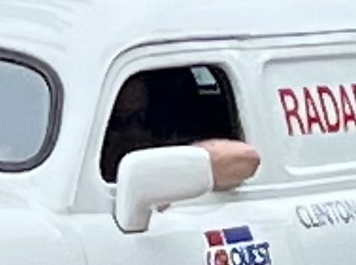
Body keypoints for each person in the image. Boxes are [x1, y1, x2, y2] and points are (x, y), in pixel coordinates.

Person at [100, 75, 260, 191]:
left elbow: (246, 159)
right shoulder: (98, 130)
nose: (134, 91)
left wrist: (168, 179)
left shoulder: (177, 126)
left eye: (138, 81)